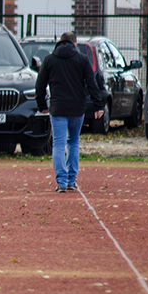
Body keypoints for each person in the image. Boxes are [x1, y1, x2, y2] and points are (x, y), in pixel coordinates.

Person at [36, 32, 105, 193]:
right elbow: (92, 83)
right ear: (75, 44)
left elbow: (40, 85)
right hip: (77, 108)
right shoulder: (82, 59)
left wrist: (42, 105)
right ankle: (71, 180)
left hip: (58, 108)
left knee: (58, 144)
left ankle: (61, 181)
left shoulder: (49, 60)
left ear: (60, 42)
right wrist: (98, 106)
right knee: (73, 141)